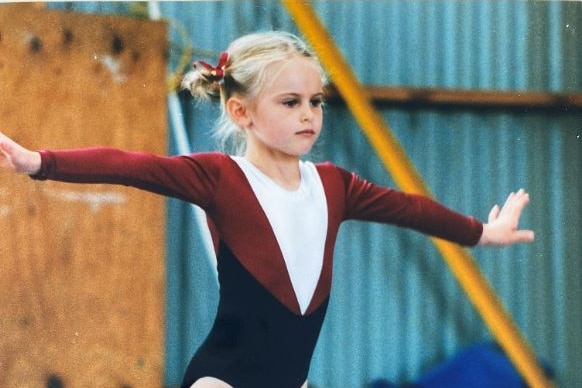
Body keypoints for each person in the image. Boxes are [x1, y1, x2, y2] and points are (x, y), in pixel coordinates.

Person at [0, 31, 534, 388]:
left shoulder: (334, 185)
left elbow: (409, 209)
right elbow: (129, 164)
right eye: (290, 102)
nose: (309, 114)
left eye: (316, 101)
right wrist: (38, 162)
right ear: (241, 111)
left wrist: (480, 233)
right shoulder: (222, 178)